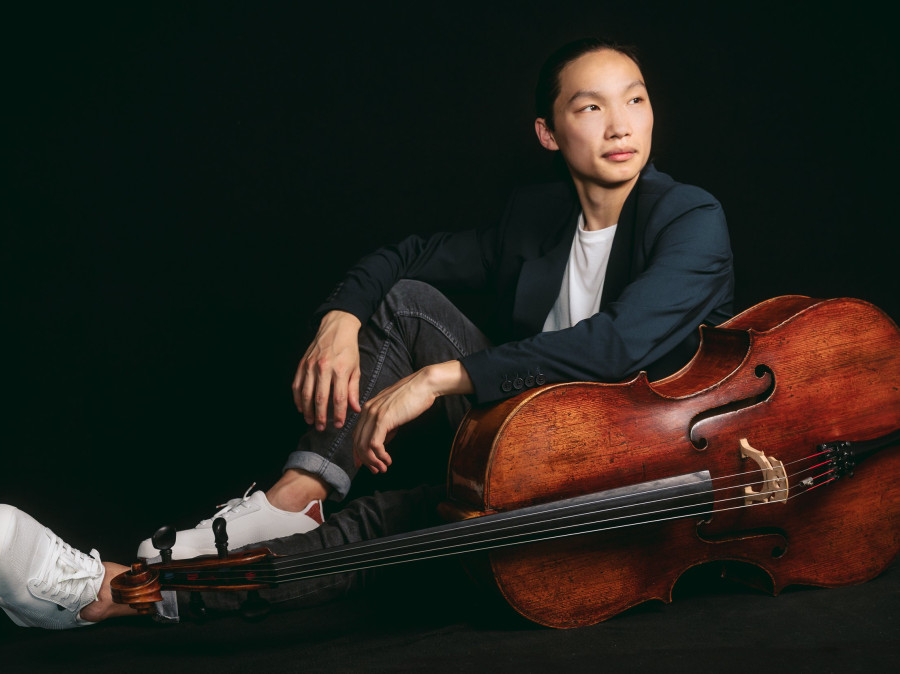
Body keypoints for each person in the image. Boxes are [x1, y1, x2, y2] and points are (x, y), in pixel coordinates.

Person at [0, 37, 734, 629]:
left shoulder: (689, 218)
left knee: (385, 523)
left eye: (635, 100)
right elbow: (407, 260)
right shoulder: (534, 219)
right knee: (407, 300)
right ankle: (301, 490)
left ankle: (112, 592)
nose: (621, 124)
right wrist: (339, 319)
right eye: (591, 106)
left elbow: (616, 345)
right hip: (524, 430)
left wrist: (441, 377)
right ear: (548, 132)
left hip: (618, 467)